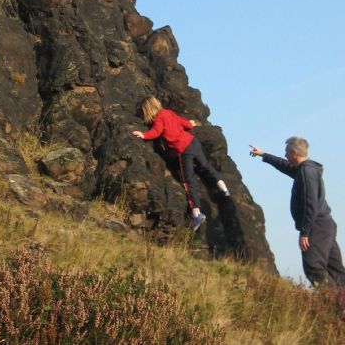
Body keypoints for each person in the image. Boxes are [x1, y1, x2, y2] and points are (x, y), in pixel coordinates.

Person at [250, 137, 345, 287]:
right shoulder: (305, 169)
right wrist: (263, 155)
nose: (285, 155)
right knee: (336, 270)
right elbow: (285, 166)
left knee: (313, 268)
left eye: (287, 152)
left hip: (316, 226)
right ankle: (340, 298)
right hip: (325, 225)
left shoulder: (306, 172)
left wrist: (305, 232)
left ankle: (332, 299)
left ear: (294, 153)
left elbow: (310, 203)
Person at [132, 97, 230, 231]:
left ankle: (196, 213)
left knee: (189, 180)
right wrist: (190, 124)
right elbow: (183, 122)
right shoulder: (168, 112)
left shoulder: (158, 119)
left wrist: (144, 135)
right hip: (193, 142)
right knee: (205, 165)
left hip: (183, 150)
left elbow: (156, 132)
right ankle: (222, 186)